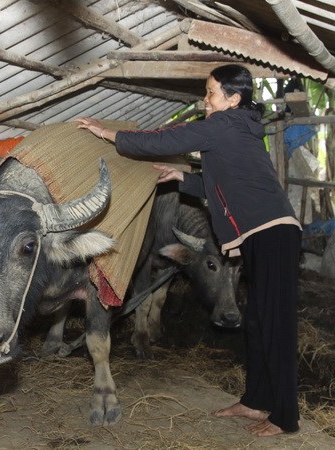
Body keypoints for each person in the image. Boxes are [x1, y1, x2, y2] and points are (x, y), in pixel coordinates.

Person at [76, 64, 301, 437]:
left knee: (276, 325)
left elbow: (166, 139)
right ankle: (256, 400)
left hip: (273, 234)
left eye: (211, 92)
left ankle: (285, 418)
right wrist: (182, 177)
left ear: (233, 98)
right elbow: (226, 183)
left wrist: (107, 133)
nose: (205, 99)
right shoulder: (236, 128)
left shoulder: (225, 124)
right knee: (259, 322)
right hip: (263, 234)